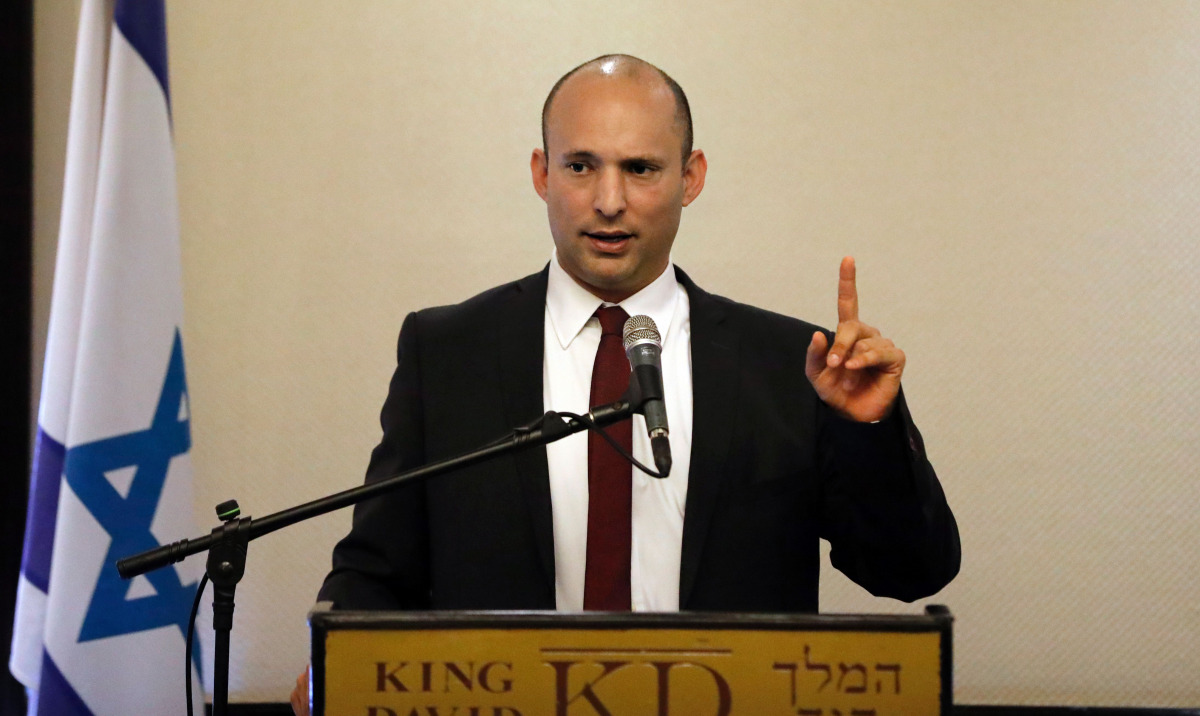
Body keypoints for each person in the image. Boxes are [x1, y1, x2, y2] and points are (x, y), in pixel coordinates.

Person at [290, 54, 959, 715]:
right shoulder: (448, 353)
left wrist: (868, 428)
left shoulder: (791, 364)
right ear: (541, 173)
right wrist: (334, 666)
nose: (609, 202)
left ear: (690, 177)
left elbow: (909, 573)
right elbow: (379, 569)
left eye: (640, 169)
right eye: (581, 166)